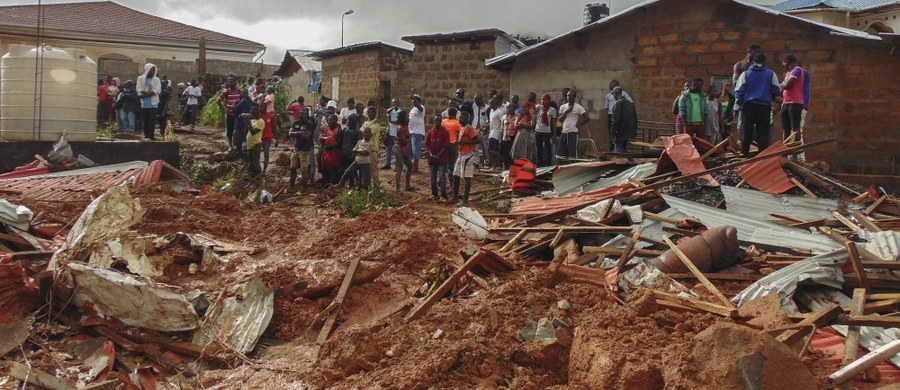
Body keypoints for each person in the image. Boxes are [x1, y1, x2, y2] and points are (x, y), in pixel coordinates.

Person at [735, 53, 781, 157]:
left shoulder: (746, 74)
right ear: (764, 62)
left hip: (749, 106)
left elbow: (738, 91)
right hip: (764, 106)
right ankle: (762, 155)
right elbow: (776, 90)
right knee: (763, 131)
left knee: (747, 130)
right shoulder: (771, 74)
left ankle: (744, 153)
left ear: (753, 62)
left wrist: (741, 104)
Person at [450, 111, 481, 207]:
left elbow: (477, 140)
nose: (460, 119)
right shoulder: (462, 128)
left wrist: (465, 142)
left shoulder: (470, 128)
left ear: (467, 119)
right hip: (461, 154)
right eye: (459, 117)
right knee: (456, 175)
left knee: (467, 178)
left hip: (468, 155)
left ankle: (465, 201)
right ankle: (455, 197)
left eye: (462, 118)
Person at [779, 54, 805, 142]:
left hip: (795, 103)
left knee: (795, 128)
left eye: (784, 64)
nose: (784, 66)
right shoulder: (788, 74)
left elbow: (788, 85)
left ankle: (796, 150)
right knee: (786, 128)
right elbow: (782, 88)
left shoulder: (797, 70)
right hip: (786, 103)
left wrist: (781, 85)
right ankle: (785, 150)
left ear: (787, 62)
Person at [289, 108, 316, 191]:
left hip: (305, 150)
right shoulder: (295, 123)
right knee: (293, 168)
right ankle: (291, 186)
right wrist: (300, 132)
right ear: (299, 115)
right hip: (296, 148)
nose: (304, 116)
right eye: (302, 114)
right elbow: (290, 133)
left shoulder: (310, 124)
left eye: (305, 114)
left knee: (304, 170)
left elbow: (307, 136)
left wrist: (295, 133)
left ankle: (304, 188)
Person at [557, 90, 588, 160]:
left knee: (572, 155)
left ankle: (572, 167)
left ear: (574, 97)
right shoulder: (563, 107)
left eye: (571, 95)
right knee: (560, 155)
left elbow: (587, 118)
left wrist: (579, 124)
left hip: (573, 132)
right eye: (568, 95)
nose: (569, 97)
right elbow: (560, 120)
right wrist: (566, 112)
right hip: (564, 132)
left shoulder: (578, 107)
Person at [426, 115, 450, 200]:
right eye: (436, 120)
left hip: (442, 159)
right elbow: (428, 145)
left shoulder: (445, 132)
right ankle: (434, 193)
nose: (437, 122)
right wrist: (431, 154)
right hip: (432, 159)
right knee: (433, 176)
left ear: (441, 122)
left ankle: (443, 194)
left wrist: (438, 155)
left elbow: (446, 145)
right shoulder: (430, 132)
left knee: (442, 176)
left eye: (439, 120)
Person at [136, 63, 161, 140]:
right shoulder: (140, 78)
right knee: (145, 121)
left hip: (153, 104)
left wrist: (149, 93)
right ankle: (146, 136)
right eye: (151, 70)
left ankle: (151, 136)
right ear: (147, 70)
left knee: (151, 121)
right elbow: (138, 88)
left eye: (154, 70)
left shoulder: (156, 79)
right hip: (144, 103)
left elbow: (158, 90)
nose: (153, 72)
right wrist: (141, 93)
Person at [610, 86, 638, 153]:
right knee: (624, 152)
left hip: (620, 133)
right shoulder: (630, 103)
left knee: (618, 154)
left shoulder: (618, 103)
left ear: (615, 94)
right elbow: (635, 119)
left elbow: (616, 120)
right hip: (629, 133)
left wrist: (613, 133)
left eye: (613, 94)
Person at [340, 106, 363, 187]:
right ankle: (342, 185)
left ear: (353, 121)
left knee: (351, 172)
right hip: (344, 153)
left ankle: (351, 185)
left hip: (351, 154)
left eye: (349, 120)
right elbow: (341, 141)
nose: (347, 121)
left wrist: (354, 154)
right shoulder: (345, 130)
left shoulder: (358, 132)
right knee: (342, 170)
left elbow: (359, 144)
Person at [218, 76, 242, 150]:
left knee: (239, 130)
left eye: (232, 80)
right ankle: (230, 145)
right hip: (229, 114)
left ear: (235, 82)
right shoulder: (226, 92)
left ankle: (238, 145)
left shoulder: (240, 91)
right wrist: (223, 110)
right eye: (229, 80)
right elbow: (218, 101)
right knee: (229, 130)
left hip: (238, 115)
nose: (230, 82)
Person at [319, 113, 343, 185]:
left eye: (331, 120)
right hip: (326, 153)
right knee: (324, 169)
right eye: (328, 120)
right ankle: (325, 183)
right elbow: (323, 138)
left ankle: (332, 185)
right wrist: (322, 140)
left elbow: (339, 143)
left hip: (333, 154)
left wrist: (330, 146)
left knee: (332, 170)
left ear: (335, 121)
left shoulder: (338, 130)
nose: (329, 122)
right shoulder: (326, 129)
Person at [534, 93, 557, 166]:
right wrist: (536, 107)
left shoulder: (552, 110)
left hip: (547, 131)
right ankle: (539, 164)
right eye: (542, 99)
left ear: (549, 101)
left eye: (545, 99)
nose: (543, 101)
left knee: (548, 148)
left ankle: (548, 164)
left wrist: (554, 134)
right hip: (538, 130)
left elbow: (553, 123)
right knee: (539, 148)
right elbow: (534, 110)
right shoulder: (539, 108)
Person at [393, 110, 414, 191]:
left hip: (402, 147)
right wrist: (410, 138)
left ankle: (407, 186)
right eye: (406, 116)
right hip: (399, 148)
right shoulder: (401, 128)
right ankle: (398, 187)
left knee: (409, 166)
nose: (408, 118)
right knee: (400, 167)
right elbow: (404, 140)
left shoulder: (405, 127)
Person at [470, 94, 490, 167]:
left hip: (483, 129)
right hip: (474, 128)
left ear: (480, 99)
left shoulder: (487, 107)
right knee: (475, 146)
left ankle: (487, 161)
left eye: (476, 99)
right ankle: (476, 162)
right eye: (474, 99)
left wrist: (486, 128)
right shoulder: (474, 106)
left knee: (484, 146)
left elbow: (488, 120)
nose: (475, 101)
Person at [231, 89, 253, 155]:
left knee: (246, 141)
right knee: (238, 142)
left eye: (245, 93)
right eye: (243, 93)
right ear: (240, 94)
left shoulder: (249, 102)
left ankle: (246, 156)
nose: (244, 95)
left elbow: (254, 109)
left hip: (247, 125)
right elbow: (234, 110)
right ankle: (239, 154)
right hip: (239, 124)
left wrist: (249, 102)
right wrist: (241, 102)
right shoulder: (237, 101)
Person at [409, 94, 427, 172]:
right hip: (412, 131)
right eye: (413, 100)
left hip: (417, 131)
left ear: (419, 101)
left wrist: (413, 97)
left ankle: (415, 166)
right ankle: (411, 165)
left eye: (415, 100)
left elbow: (419, 106)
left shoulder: (421, 107)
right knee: (412, 149)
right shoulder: (413, 109)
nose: (413, 101)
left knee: (416, 149)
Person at [720, 81, 738, 153]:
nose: (728, 87)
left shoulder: (732, 98)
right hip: (717, 121)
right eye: (726, 85)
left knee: (726, 137)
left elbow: (735, 111)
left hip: (727, 121)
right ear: (722, 86)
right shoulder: (717, 96)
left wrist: (728, 119)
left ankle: (725, 152)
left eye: (729, 85)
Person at [247, 105, 264, 177]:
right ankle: (253, 178)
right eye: (251, 113)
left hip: (256, 145)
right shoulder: (252, 120)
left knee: (256, 163)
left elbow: (253, 132)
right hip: (250, 145)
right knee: (251, 163)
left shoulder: (261, 121)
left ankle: (257, 179)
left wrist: (248, 121)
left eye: (253, 113)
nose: (252, 115)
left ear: (258, 113)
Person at [384, 98, 401, 169]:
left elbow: (399, 122)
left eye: (396, 102)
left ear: (399, 103)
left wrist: (391, 121)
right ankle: (387, 164)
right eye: (393, 103)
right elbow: (387, 113)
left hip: (396, 133)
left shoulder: (400, 112)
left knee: (396, 150)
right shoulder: (391, 111)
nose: (395, 104)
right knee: (388, 149)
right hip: (390, 133)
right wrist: (393, 108)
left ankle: (397, 165)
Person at [487, 97, 503, 171]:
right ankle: (494, 166)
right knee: (490, 151)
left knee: (492, 150)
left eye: (491, 103)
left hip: (496, 133)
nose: (489, 105)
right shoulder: (491, 111)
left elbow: (502, 122)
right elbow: (491, 122)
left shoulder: (499, 112)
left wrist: (501, 133)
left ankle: (502, 159)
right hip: (491, 132)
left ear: (495, 104)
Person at [500, 103, 517, 170]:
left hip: (513, 138)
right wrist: (501, 138)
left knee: (511, 154)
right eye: (508, 108)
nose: (510, 109)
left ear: (514, 108)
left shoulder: (517, 117)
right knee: (504, 153)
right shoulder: (504, 117)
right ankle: (506, 167)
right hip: (505, 137)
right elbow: (501, 129)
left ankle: (511, 168)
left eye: (511, 107)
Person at [260, 103, 276, 173]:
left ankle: (264, 170)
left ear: (266, 107)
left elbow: (274, 127)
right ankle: (257, 169)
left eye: (263, 106)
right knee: (257, 155)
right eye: (260, 106)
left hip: (267, 139)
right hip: (258, 139)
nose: (261, 108)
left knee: (266, 155)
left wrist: (276, 138)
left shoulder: (270, 116)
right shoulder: (257, 116)